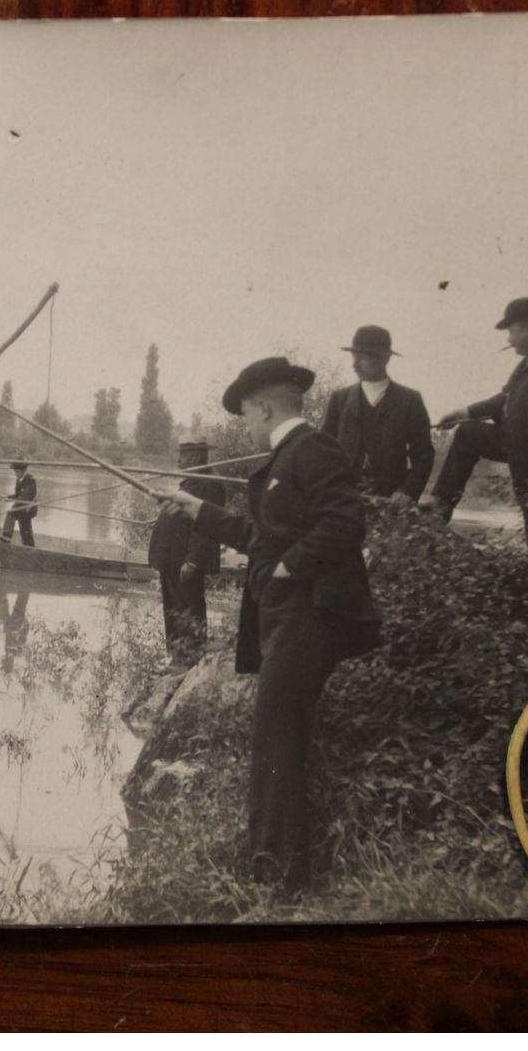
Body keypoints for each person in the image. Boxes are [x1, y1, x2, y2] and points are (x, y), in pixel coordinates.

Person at [158, 358, 380, 890]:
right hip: (290, 619)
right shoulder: (287, 458)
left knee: (274, 738)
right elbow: (262, 535)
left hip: (312, 615)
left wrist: (289, 567)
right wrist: (197, 511)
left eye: (248, 416)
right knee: (275, 736)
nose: (247, 427)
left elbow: (346, 521)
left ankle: (274, 874)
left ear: (264, 405)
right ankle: (276, 866)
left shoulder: (311, 449)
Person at [428, 297, 528, 566]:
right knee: (467, 435)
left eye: (511, 331)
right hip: (515, 442)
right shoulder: (526, 364)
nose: (509, 339)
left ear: (527, 329)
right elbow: (502, 400)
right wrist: (462, 414)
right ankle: (439, 510)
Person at [321, 325, 434, 504]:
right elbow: (324, 452)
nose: (354, 365)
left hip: (390, 503)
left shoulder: (409, 400)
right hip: (343, 501)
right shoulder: (339, 399)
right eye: (353, 356)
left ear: (384, 359)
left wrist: (406, 492)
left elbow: (423, 456)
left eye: (362, 357)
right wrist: (332, 489)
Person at [146, 439, 226, 665]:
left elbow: (205, 527)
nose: (180, 461)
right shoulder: (193, 482)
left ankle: (191, 659)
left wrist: (192, 561)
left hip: (184, 561)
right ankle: (176, 658)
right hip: (171, 559)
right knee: (172, 609)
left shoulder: (210, 485)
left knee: (188, 608)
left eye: (185, 456)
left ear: (198, 457)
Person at [0, 459, 39, 546]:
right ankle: (29, 547)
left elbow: (24, 497)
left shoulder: (31, 480)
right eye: (15, 471)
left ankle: (7, 536)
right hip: (21, 508)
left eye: (17, 471)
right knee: (25, 530)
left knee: (11, 514)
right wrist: (7, 497)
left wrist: (14, 507)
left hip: (28, 509)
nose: (15, 473)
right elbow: (18, 495)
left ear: (23, 471)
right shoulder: (19, 479)